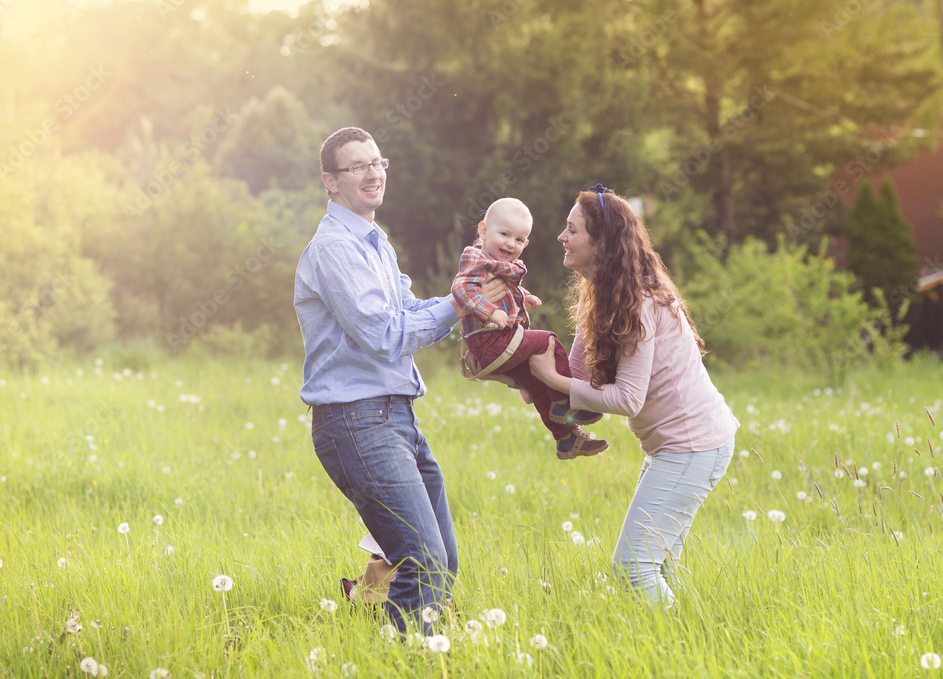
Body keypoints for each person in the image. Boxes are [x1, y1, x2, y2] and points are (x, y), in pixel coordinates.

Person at [293, 127, 505, 633]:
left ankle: (404, 642)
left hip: (395, 416)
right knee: (423, 560)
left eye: (378, 162)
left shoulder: (374, 242)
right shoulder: (335, 249)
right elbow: (384, 335)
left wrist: (474, 299)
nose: (373, 173)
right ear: (330, 181)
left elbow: (407, 311)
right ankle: (405, 657)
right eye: (357, 166)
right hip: (357, 421)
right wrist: (460, 305)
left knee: (441, 560)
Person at [526, 184, 739, 606]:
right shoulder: (604, 295)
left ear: (601, 242)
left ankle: (683, 639)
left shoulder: (639, 302)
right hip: (681, 447)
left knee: (634, 568)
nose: (561, 237)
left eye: (572, 230)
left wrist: (555, 381)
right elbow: (578, 377)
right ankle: (688, 638)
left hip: (693, 446)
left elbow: (626, 399)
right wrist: (532, 379)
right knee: (660, 567)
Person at [451, 197, 608, 460]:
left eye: (519, 239)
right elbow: (462, 289)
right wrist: (490, 311)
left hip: (501, 341)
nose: (510, 243)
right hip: (491, 340)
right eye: (504, 234)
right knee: (549, 341)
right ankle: (568, 401)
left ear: (525, 244)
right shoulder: (475, 257)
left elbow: (505, 290)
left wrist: (524, 296)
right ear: (483, 231)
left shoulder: (503, 266)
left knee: (537, 383)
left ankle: (567, 438)